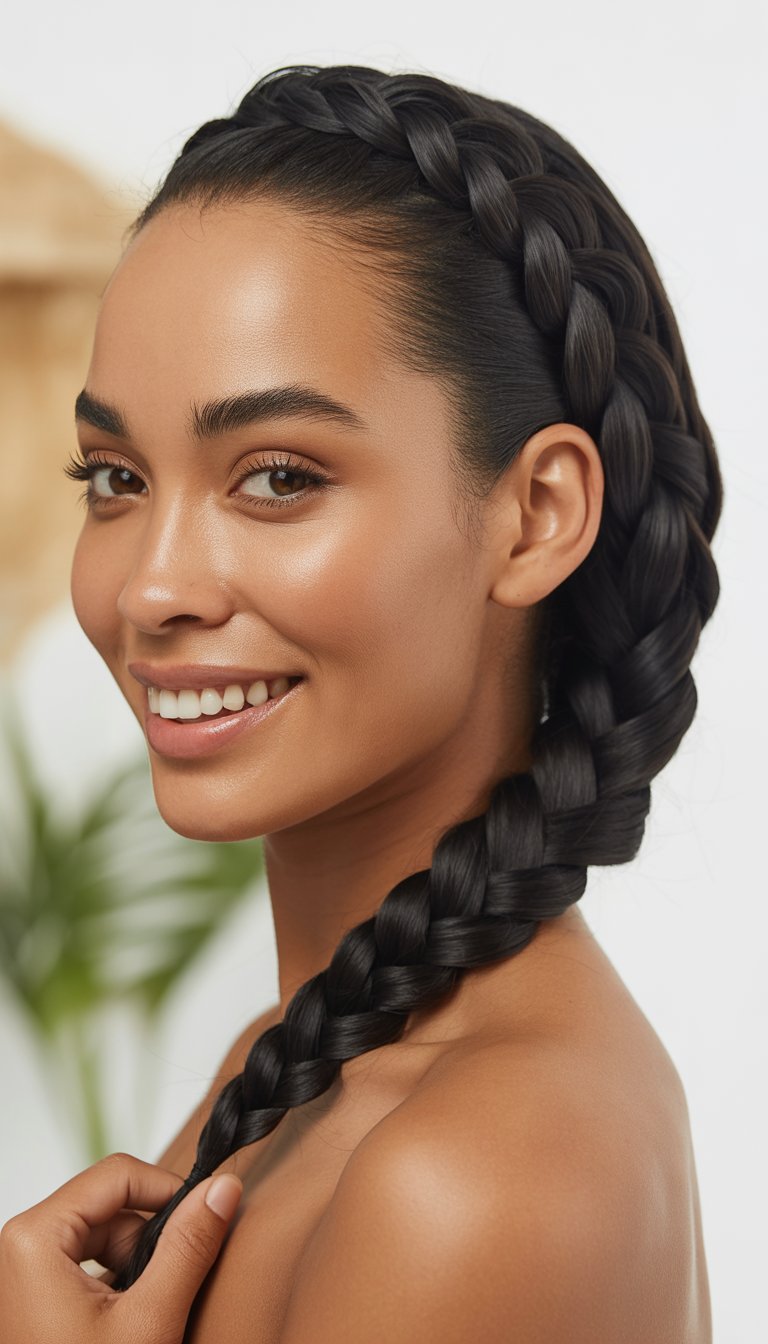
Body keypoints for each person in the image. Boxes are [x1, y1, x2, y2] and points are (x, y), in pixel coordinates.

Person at [0, 62, 721, 1343]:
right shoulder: (298, 1068)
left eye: (276, 476)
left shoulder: (471, 1177)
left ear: (536, 515)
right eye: (113, 475)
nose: (149, 586)